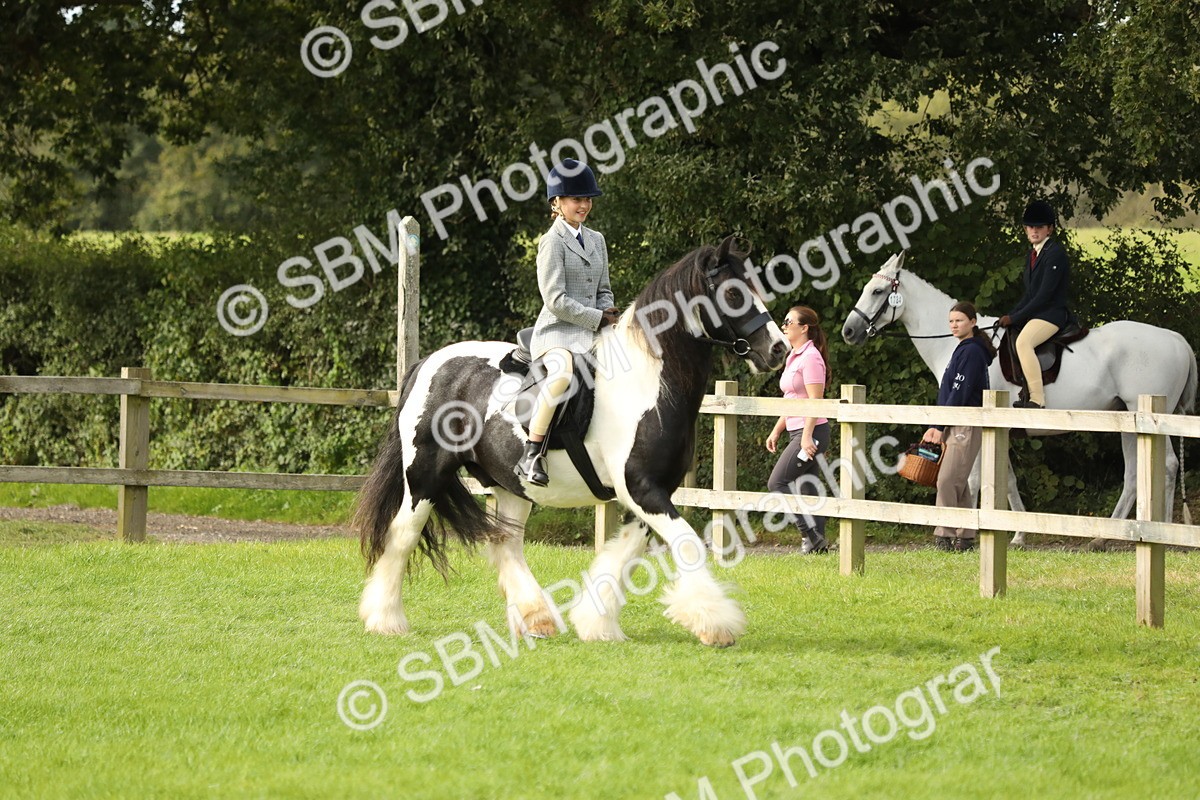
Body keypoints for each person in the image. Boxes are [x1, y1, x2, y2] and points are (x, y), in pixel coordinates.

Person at [514, 159, 619, 486]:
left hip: (593, 331)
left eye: (587, 199)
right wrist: (596, 317)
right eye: (577, 199)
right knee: (561, 375)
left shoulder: (597, 239)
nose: (584, 205)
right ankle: (532, 452)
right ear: (557, 203)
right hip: (557, 334)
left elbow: (604, 289)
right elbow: (555, 300)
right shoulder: (552, 242)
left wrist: (608, 315)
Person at [922, 301, 997, 552]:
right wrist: (937, 424)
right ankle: (965, 537)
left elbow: (960, 392)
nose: (954, 325)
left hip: (965, 422)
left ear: (973, 323)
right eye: (951, 321)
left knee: (946, 480)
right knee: (959, 482)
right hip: (954, 421)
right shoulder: (964, 349)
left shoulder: (972, 352)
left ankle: (944, 534)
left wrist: (939, 425)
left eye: (960, 321)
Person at [765, 306, 831, 554]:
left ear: (804, 328)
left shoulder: (811, 357)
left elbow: (815, 400)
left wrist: (805, 436)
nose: (783, 326)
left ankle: (810, 536)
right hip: (798, 429)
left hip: (812, 430)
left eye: (788, 321)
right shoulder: (794, 356)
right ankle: (819, 545)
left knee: (777, 482)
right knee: (807, 487)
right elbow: (793, 398)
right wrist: (776, 430)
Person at [997, 200, 1071, 409]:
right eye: (1031, 227)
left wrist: (1016, 317)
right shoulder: (1034, 254)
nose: (1034, 230)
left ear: (1050, 229)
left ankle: (1037, 399)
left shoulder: (1054, 253)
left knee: (1023, 343)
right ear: (1025, 229)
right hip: (1038, 313)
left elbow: (1044, 295)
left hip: (1052, 314)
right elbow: (1029, 295)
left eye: (1039, 227)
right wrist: (1010, 315)